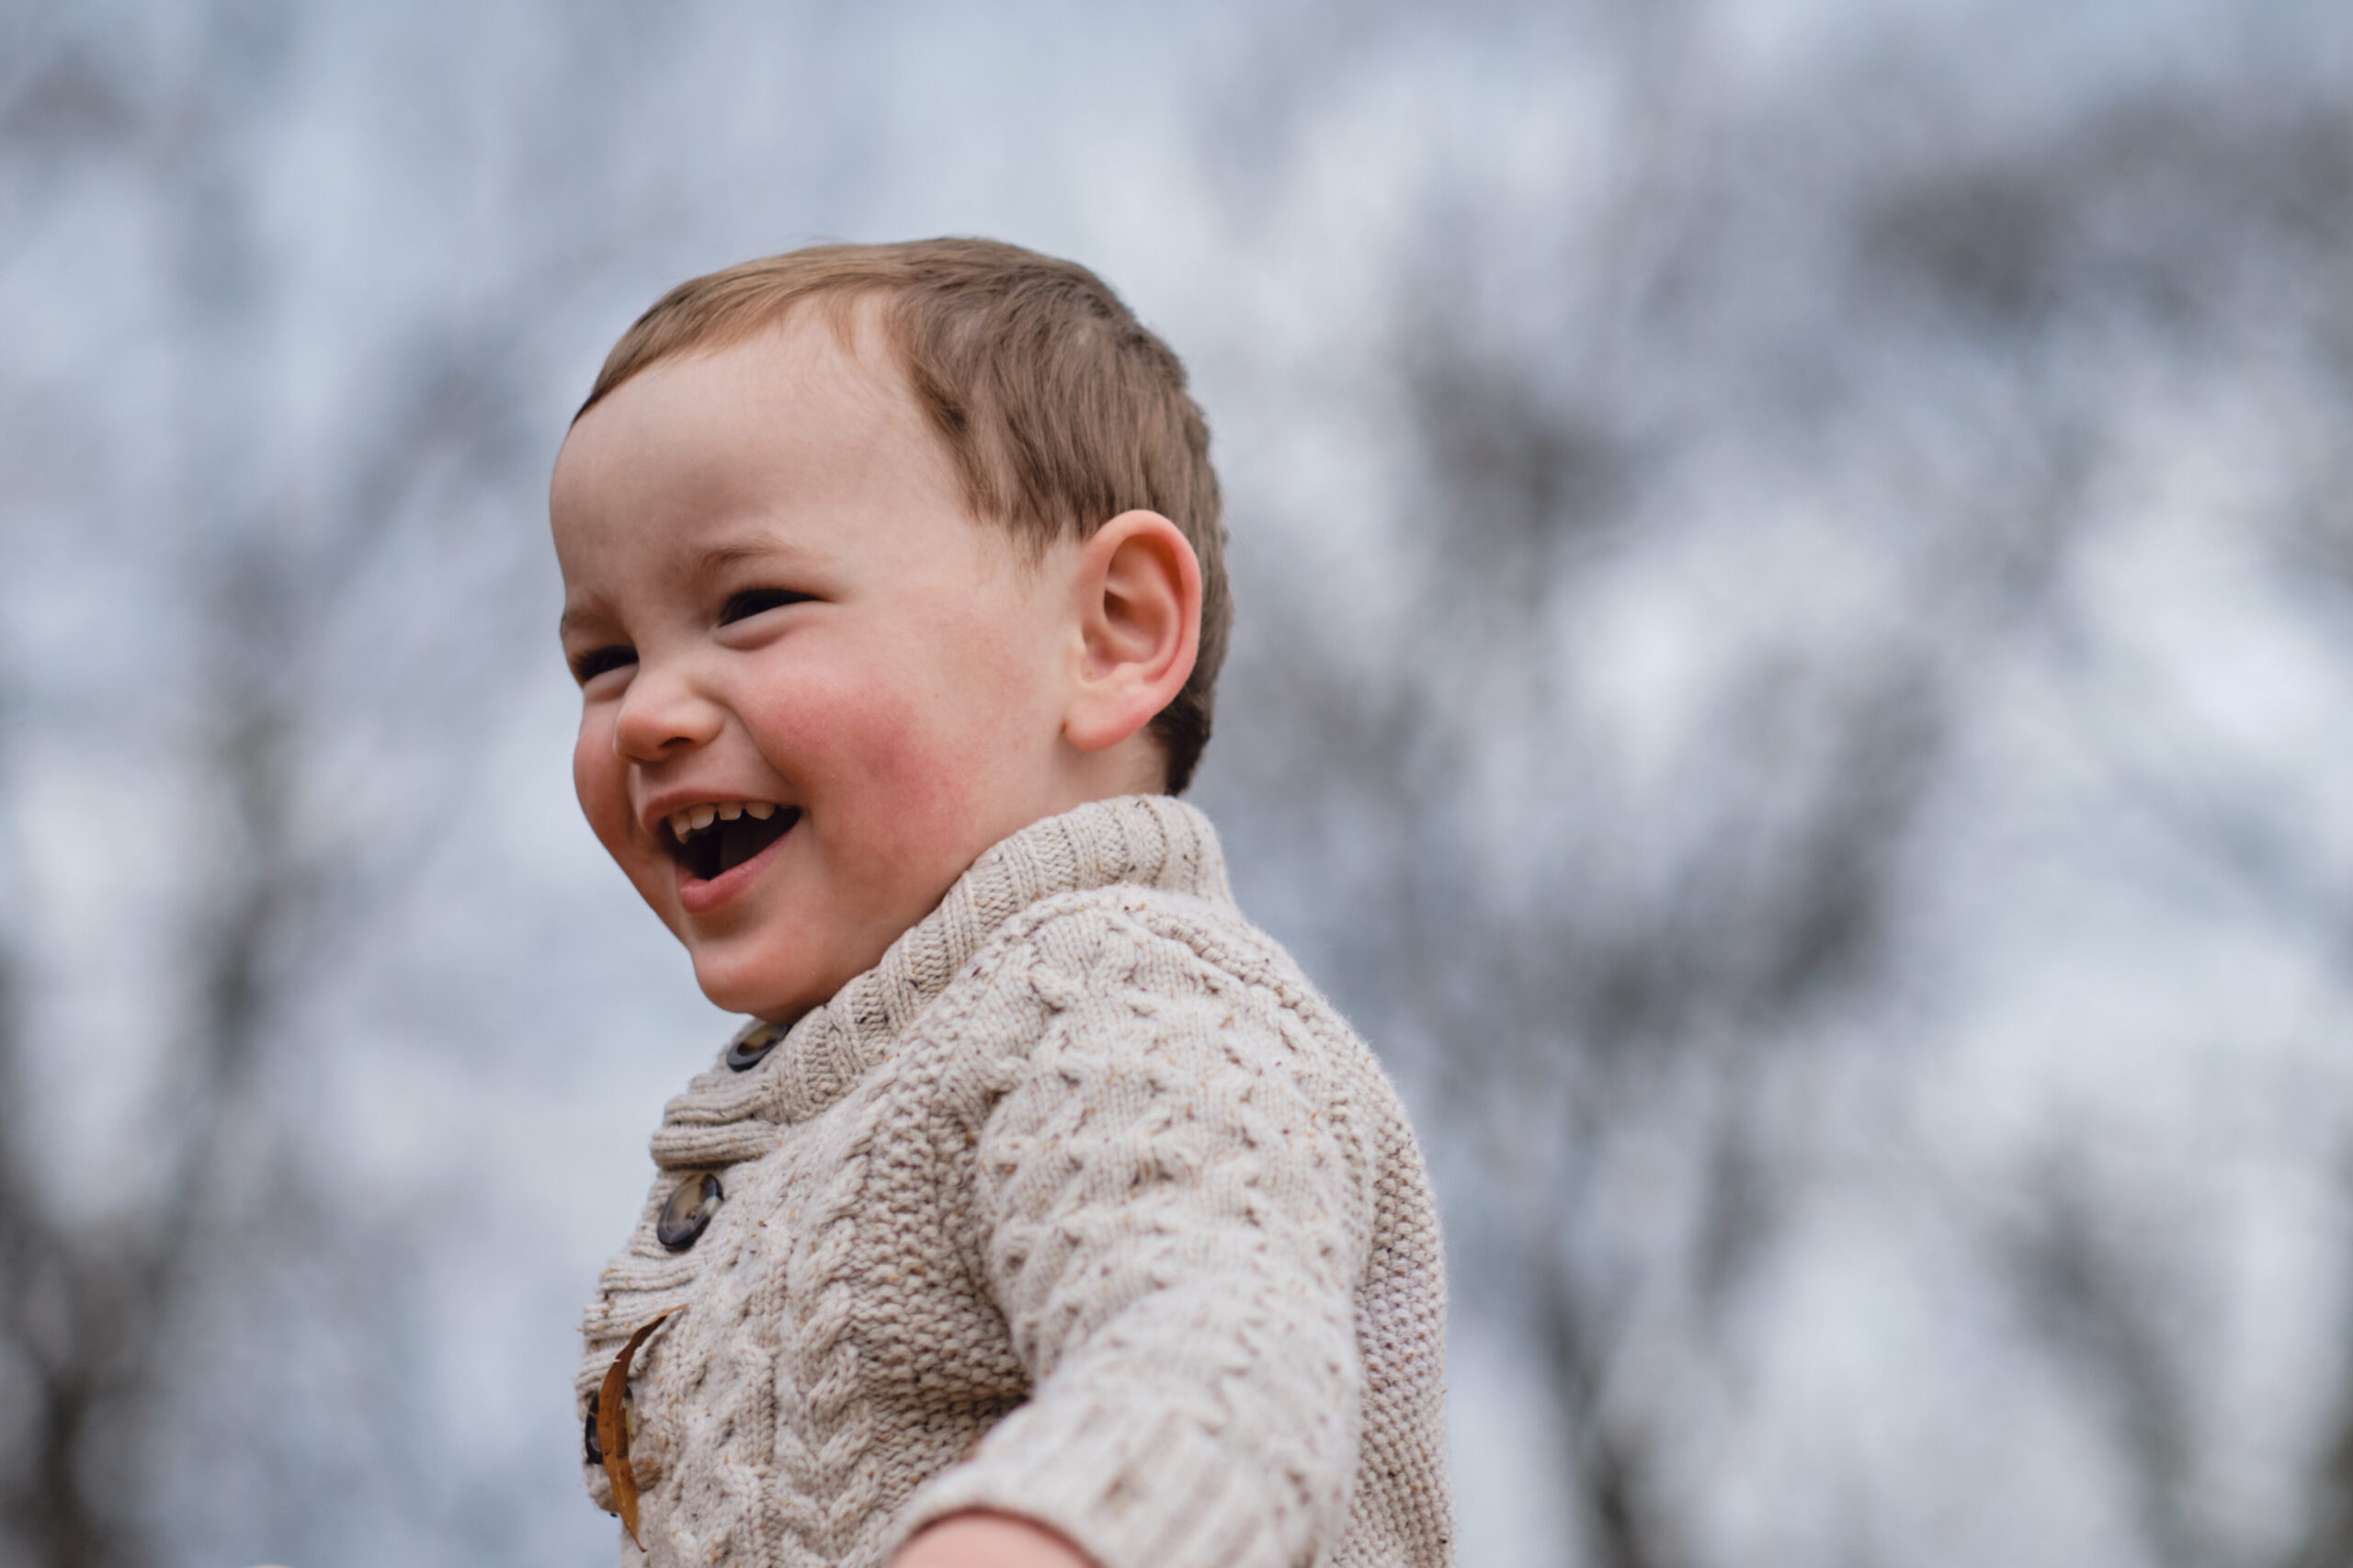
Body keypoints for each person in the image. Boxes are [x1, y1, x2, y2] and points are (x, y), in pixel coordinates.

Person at [551, 238, 1453, 1568]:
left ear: (1113, 631)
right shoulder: (854, 1092)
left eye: (751, 604)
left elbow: (1219, 1362)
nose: (653, 713)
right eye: (606, 657)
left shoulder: (1133, 998)